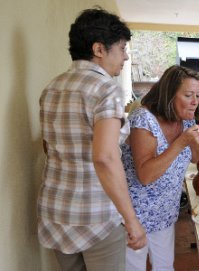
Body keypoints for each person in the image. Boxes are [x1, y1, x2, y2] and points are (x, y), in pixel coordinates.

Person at [37, 8, 146, 270]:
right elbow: (105, 157)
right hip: (97, 215)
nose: (125, 56)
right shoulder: (106, 89)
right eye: (121, 48)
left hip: (55, 210)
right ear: (99, 49)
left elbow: (47, 146)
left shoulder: (52, 87)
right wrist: (131, 220)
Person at [121, 65, 199, 270]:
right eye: (188, 95)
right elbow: (145, 175)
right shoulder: (144, 119)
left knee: (165, 267)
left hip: (165, 211)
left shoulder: (185, 119)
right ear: (169, 95)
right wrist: (181, 142)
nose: (195, 101)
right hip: (136, 214)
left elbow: (196, 158)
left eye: (197, 95)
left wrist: (194, 139)